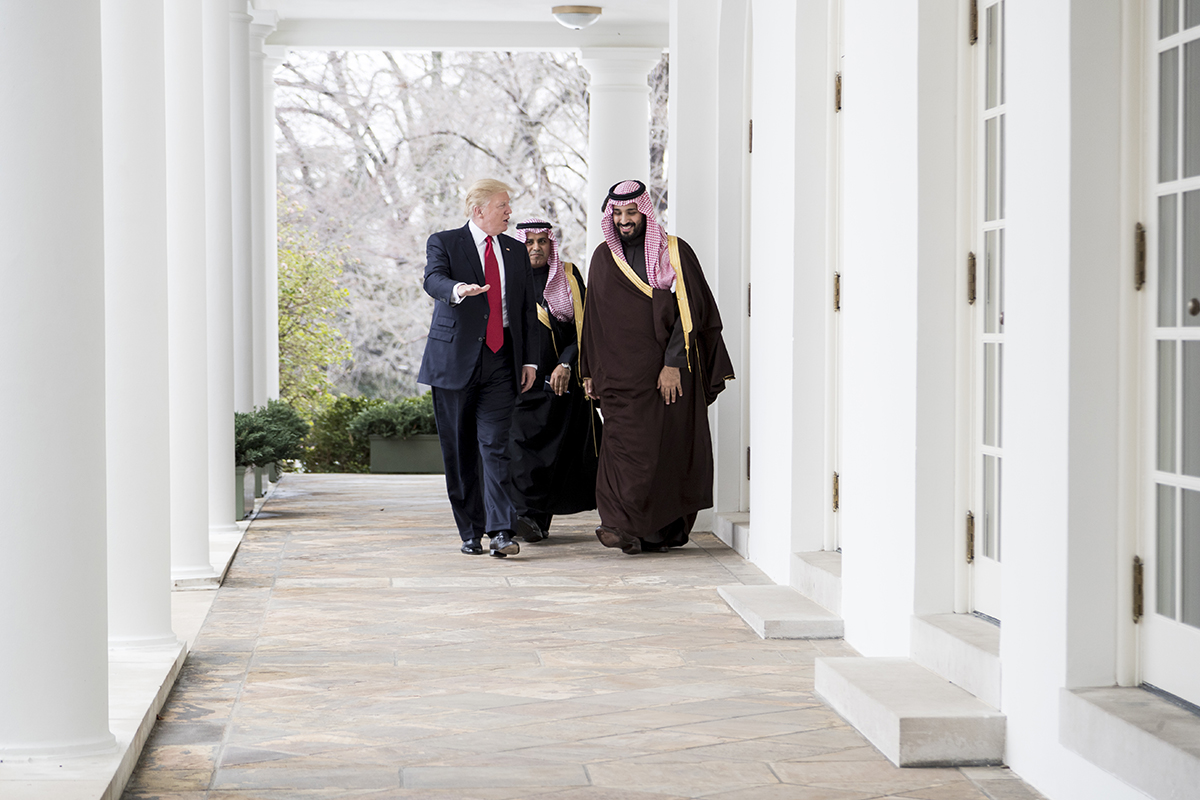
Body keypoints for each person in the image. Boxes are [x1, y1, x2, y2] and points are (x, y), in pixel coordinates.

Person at [580, 180, 735, 555]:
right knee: (621, 449)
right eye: (617, 214)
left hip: (665, 376)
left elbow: (691, 312)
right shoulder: (603, 257)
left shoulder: (674, 252)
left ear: (645, 212)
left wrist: (673, 364)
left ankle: (655, 532)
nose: (624, 220)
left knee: (664, 454)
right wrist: (588, 370)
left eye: (631, 212)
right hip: (618, 379)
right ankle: (618, 524)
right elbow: (593, 320)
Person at [418, 179, 539, 557]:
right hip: (454, 362)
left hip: (502, 361)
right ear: (478, 210)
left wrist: (530, 360)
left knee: (495, 447)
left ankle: (501, 531)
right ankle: (470, 531)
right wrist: (458, 290)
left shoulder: (515, 251)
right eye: (503, 205)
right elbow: (433, 280)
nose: (509, 212)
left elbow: (527, 309)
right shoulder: (444, 242)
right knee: (460, 451)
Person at [508, 218, 602, 543]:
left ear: (551, 244)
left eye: (542, 242)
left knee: (550, 457)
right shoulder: (507, 278)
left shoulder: (569, 278)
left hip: (558, 387)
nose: (535, 248)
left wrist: (566, 362)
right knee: (518, 452)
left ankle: (535, 521)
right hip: (518, 386)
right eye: (529, 242)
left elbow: (585, 328)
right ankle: (522, 516)